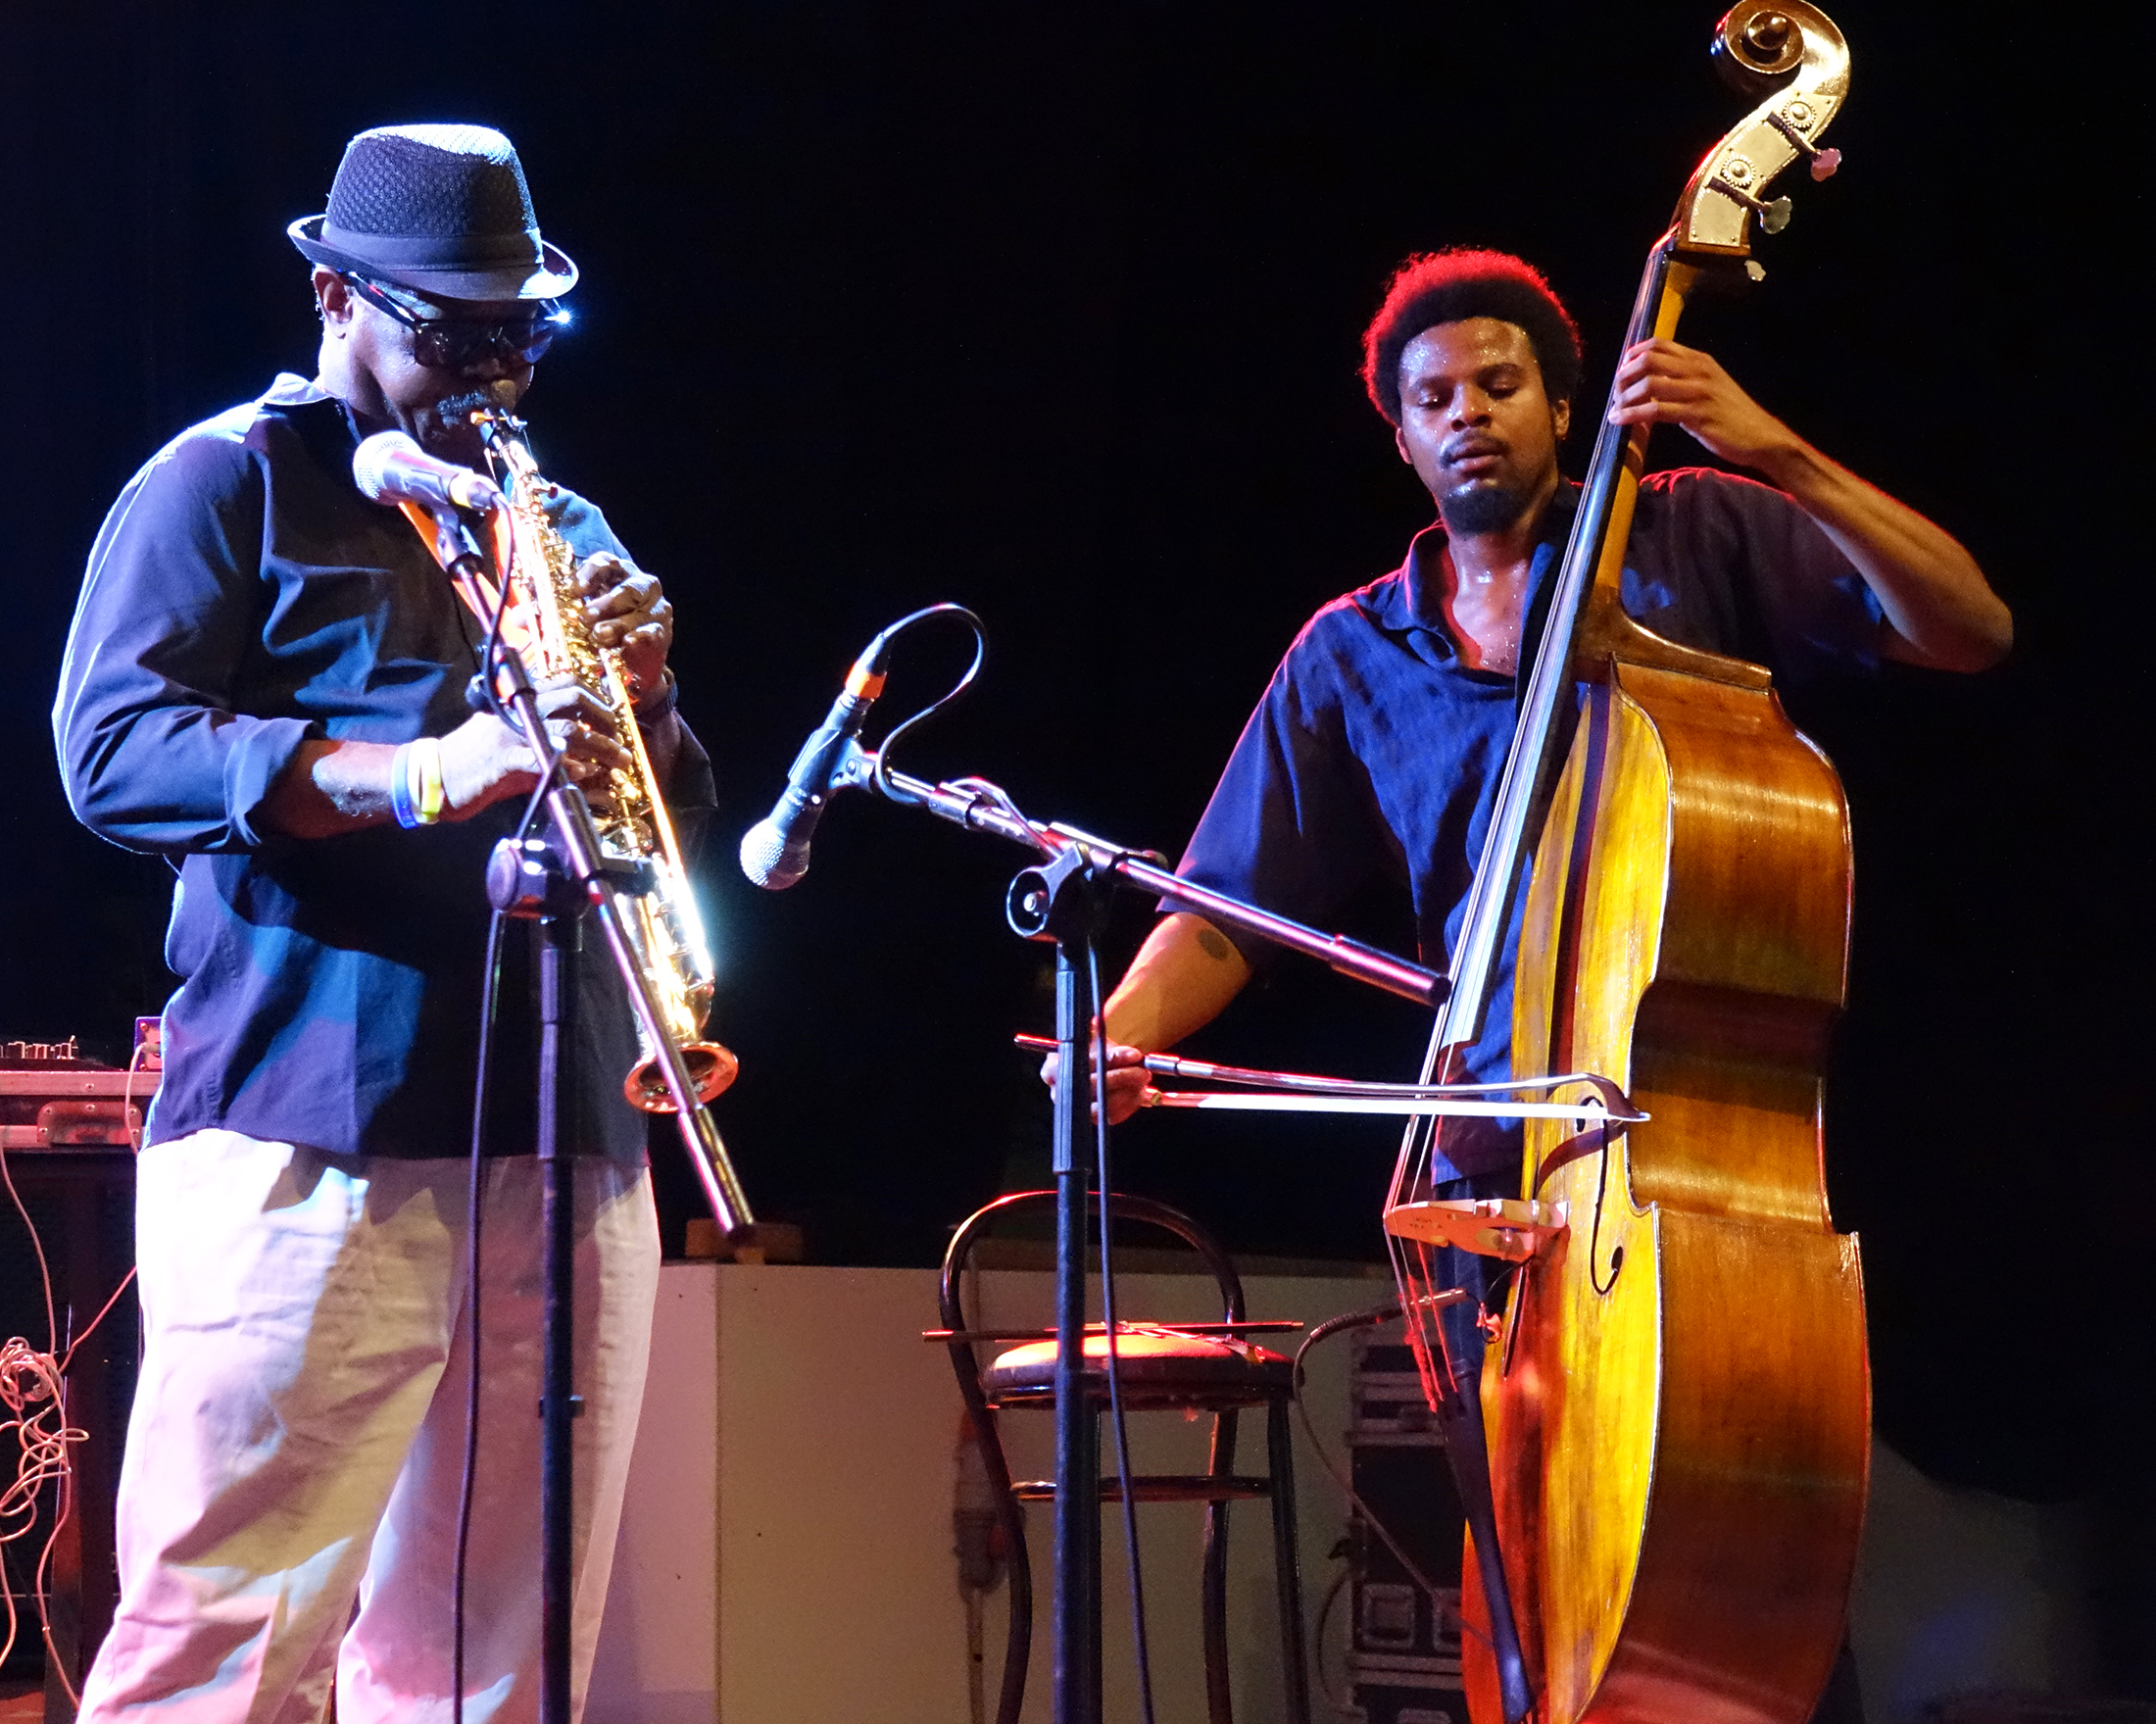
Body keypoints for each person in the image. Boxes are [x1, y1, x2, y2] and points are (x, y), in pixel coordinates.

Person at [1067, 246, 2010, 1388]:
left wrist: (1776, 449)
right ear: (1404, 440)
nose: (1468, 414)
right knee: (1507, 1545)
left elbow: (1966, 630)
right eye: (1434, 400)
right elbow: (1227, 907)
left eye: (1499, 386)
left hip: (1690, 1147)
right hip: (1483, 1158)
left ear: (1565, 407)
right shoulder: (1351, 652)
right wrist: (1117, 1035)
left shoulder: (1687, 531)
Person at [52, 123, 710, 1721]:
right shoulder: (227, 480)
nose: (501, 368)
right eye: (461, 329)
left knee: (502, 1659)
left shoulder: (559, 523)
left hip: (559, 1144)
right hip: (309, 1120)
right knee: (227, 1644)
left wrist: (649, 696)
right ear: (337, 294)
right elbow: (113, 747)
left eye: (522, 331)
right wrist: (415, 772)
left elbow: (655, 810)